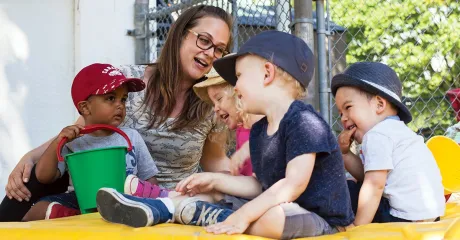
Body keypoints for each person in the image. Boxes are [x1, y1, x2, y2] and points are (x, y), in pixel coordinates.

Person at [95, 31, 355, 240]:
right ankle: (160, 208)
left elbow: (292, 185)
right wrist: (215, 181)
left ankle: (194, 211)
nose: (237, 86)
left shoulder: (304, 120)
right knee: (215, 195)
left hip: (321, 218)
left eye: (240, 76)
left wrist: (243, 216)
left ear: (267, 73)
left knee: (268, 218)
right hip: (284, 205)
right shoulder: (262, 130)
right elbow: (258, 185)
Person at [0, 5, 233, 222]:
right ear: (180, 33)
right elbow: (83, 131)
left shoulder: (212, 103)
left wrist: (245, 186)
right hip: (104, 190)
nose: (211, 53)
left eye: (220, 49)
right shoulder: (125, 82)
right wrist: (31, 156)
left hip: (166, 202)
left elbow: (216, 160)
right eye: (204, 40)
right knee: (29, 179)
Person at [22, 63, 163, 221]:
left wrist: (155, 202)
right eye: (111, 98)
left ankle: (87, 219)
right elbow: (43, 177)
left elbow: (149, 179)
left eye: (123, 99)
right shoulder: (74, 142)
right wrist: (58, 142)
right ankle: (79, 217)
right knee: (37, 210)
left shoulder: (131, 137)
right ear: (85, 108)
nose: (120, 105)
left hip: (125, 199)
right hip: (83, 200)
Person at [332, 62, 445, 226]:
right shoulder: (397, 131)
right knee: (359, 185)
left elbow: (374, 185)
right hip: (429, 215)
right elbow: (369, 176)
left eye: (348, 107)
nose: (343, 117)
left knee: (346, 189)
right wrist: (345, 154)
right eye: (341, 112)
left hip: (401, 217)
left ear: (379, 104)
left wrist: (358, 227)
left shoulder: (377, 135)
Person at [193, 66, 263, 176]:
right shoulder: (242, 128)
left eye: (219, 99)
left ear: (238, 94)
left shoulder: (260, 124)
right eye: (213, 103)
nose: (215, 108)